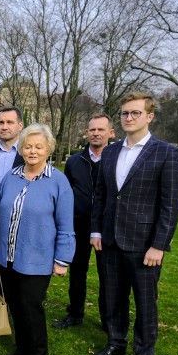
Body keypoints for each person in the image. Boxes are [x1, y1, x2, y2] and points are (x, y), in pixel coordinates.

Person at [89, 92, 178, 355]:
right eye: (125, 113)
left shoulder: (166, 152)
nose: (129, 118)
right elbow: (102, 195)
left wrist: (159, 245)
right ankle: (116, 343)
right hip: (110, 240)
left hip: (144, 244)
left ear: (149, 116)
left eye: (135, 113)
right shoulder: (111, 151)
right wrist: (96, 230)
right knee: (113, 297)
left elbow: (170, 205)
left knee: (145, 303)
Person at [0, 123, 75, 355]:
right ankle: (22, 349)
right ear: (21, 149)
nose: (32, 151)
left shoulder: (58, 181)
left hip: (37, 258)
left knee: (31, 306)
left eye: (38, 147)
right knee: (14, 303)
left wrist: (62, 260)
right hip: (7, 256)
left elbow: (66, 224)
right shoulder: (11, 177)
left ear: (48, 149)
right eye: (27, 146)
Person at [53, 114, 114, 330]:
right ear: (87, 133)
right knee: (77, 271)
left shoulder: (116, 159)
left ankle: (108, 320)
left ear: (111, 133)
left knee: (107, 274)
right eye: (92, 130)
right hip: (78, 224)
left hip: (107, 226)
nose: (96, 133)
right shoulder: (74, 161)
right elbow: (66, 193)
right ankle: (75, 313)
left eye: (101, 129)